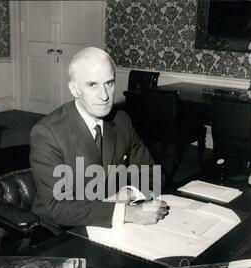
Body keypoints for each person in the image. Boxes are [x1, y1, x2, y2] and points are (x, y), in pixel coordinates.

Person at [30, 47, 168, 236]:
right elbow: (60, 209)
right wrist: (128, 213)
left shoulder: (121, 121)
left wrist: (128, 193)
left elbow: (153, 173)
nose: (104, 96)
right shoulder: (47, 133)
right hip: (62, 235)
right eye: (92, 85)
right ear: (74, 89)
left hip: (112, 229)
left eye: (109, 83)